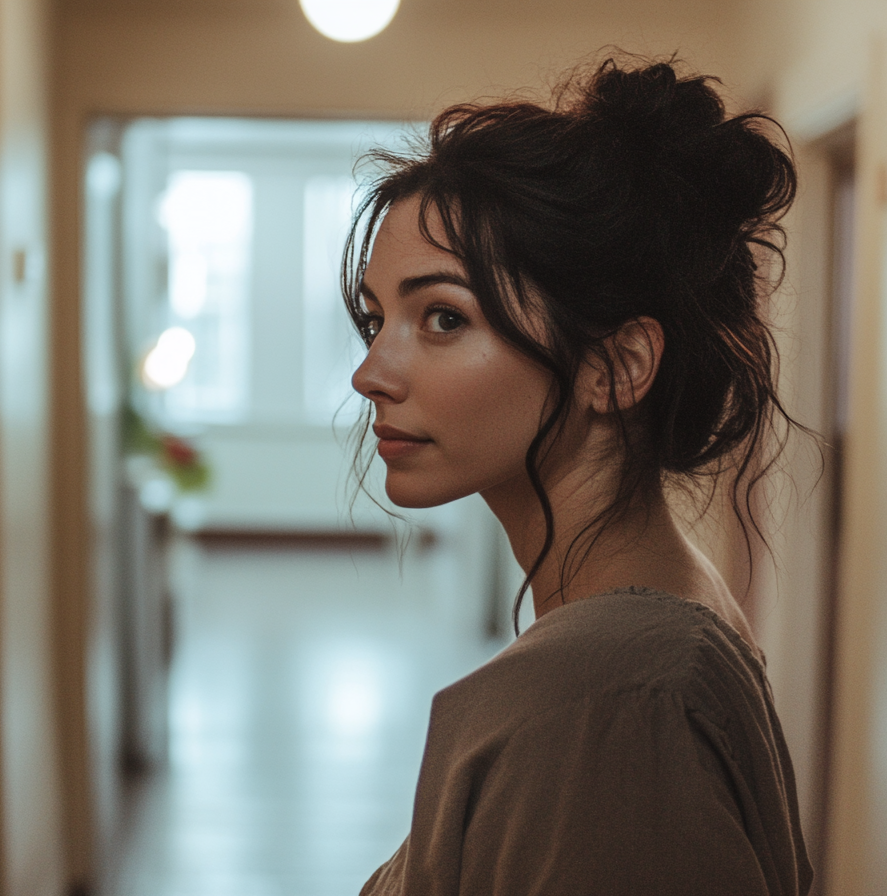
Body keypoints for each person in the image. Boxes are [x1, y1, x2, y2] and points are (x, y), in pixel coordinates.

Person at [345, 56, 812, 896]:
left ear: (620, 365)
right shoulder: (663, 614)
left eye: (443, 317)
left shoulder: (611, 698)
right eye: (378, 319)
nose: (371, 371)